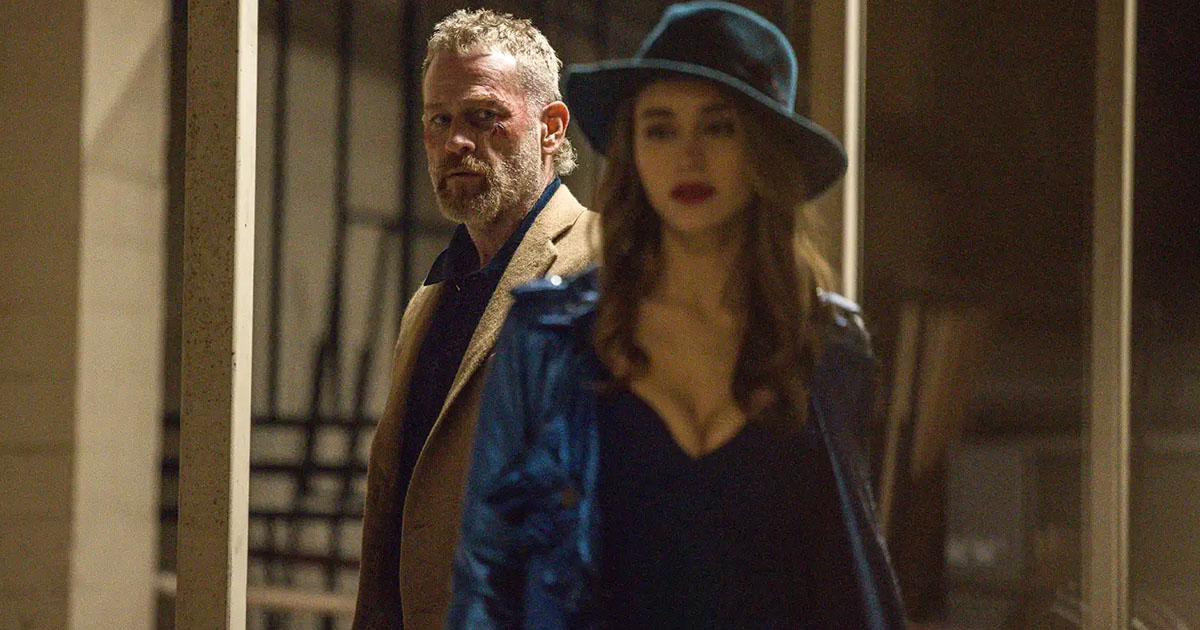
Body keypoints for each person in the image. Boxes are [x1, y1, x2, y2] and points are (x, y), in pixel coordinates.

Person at [446, 2, 905, 629]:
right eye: (660, 129)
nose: (688, 156)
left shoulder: (828, 347)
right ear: (633, 151)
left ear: (762, 150)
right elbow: (487, 576)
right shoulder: (551, 338)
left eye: (718, 127)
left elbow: (844, 571)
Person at [352, 9, 597, 630]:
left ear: (551, 127)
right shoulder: (429, 299)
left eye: (484, 116)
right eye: (439, 120)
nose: (456, 142)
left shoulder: (602, 266)